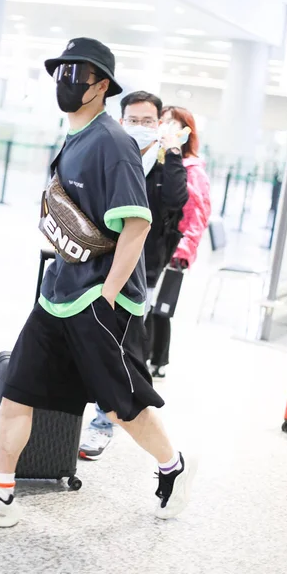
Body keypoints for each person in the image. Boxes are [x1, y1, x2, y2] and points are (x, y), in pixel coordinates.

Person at [0, 38, 197, 532]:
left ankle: (173, 467)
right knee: (17, 390)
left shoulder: (112, 142)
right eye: (61, 71)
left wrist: (107, 297)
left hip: (97, 299)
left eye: (78, 73)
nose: (67, 81)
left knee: (120, 405)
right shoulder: (75, 135)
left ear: (101, 86)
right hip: (58, 293)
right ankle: (0, 494)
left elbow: (137, 224)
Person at [79, 90, 188, 460]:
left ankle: (102, 424)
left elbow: (175, 200)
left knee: (117, 351)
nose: (140, 127)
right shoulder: (109, 153)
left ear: (159, 124)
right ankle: (62, 418)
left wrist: (172, 151)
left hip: (142, 270)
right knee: (79, 341)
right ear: (120, 120)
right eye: (133, 120)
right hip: (93, 262)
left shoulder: (163, 162)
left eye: (148, 121)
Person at [147, 106, 211, 379]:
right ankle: (150, 357)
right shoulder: (156, 159)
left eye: (175, 124)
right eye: (165, 122)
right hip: (154, 243)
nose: (169, 128)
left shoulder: (193, 169)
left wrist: (183, 251)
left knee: (161, 307)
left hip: (174, 247)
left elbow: (197, 214)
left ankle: (158, 360)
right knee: (149, 305)